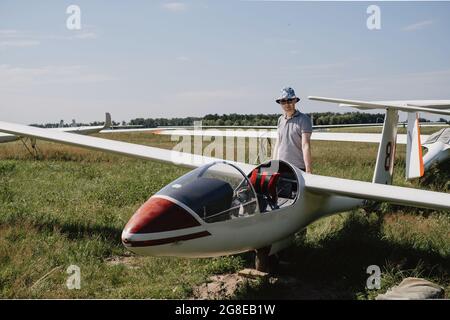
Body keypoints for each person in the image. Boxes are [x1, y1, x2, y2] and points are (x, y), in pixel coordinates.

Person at [272, 87, 313, 173]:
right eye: (283, 101)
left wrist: (308, 170)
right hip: (281, 166)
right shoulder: (280, 119)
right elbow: (278, 143)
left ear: (294, 101)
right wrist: (273, 165)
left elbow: (305, 145)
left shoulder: (304, 119)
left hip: (297, 168)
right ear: (280, 103)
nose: (287, 104)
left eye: (289, 101)